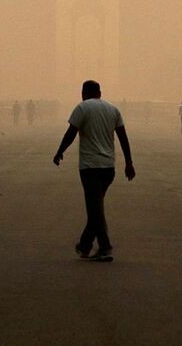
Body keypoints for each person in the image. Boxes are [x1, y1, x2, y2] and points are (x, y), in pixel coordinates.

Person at [53, 80, 134, 260]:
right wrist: (129, 163)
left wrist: (59, 151)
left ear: (84, 92)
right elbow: (123, 138)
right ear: (100, 92)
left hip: (90, 167)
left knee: (95, 209)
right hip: (108, 168)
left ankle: (105, 247)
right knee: (96, 208)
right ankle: (84, 245)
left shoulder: (82, 108)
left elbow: (71, 133)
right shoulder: (113, 110)